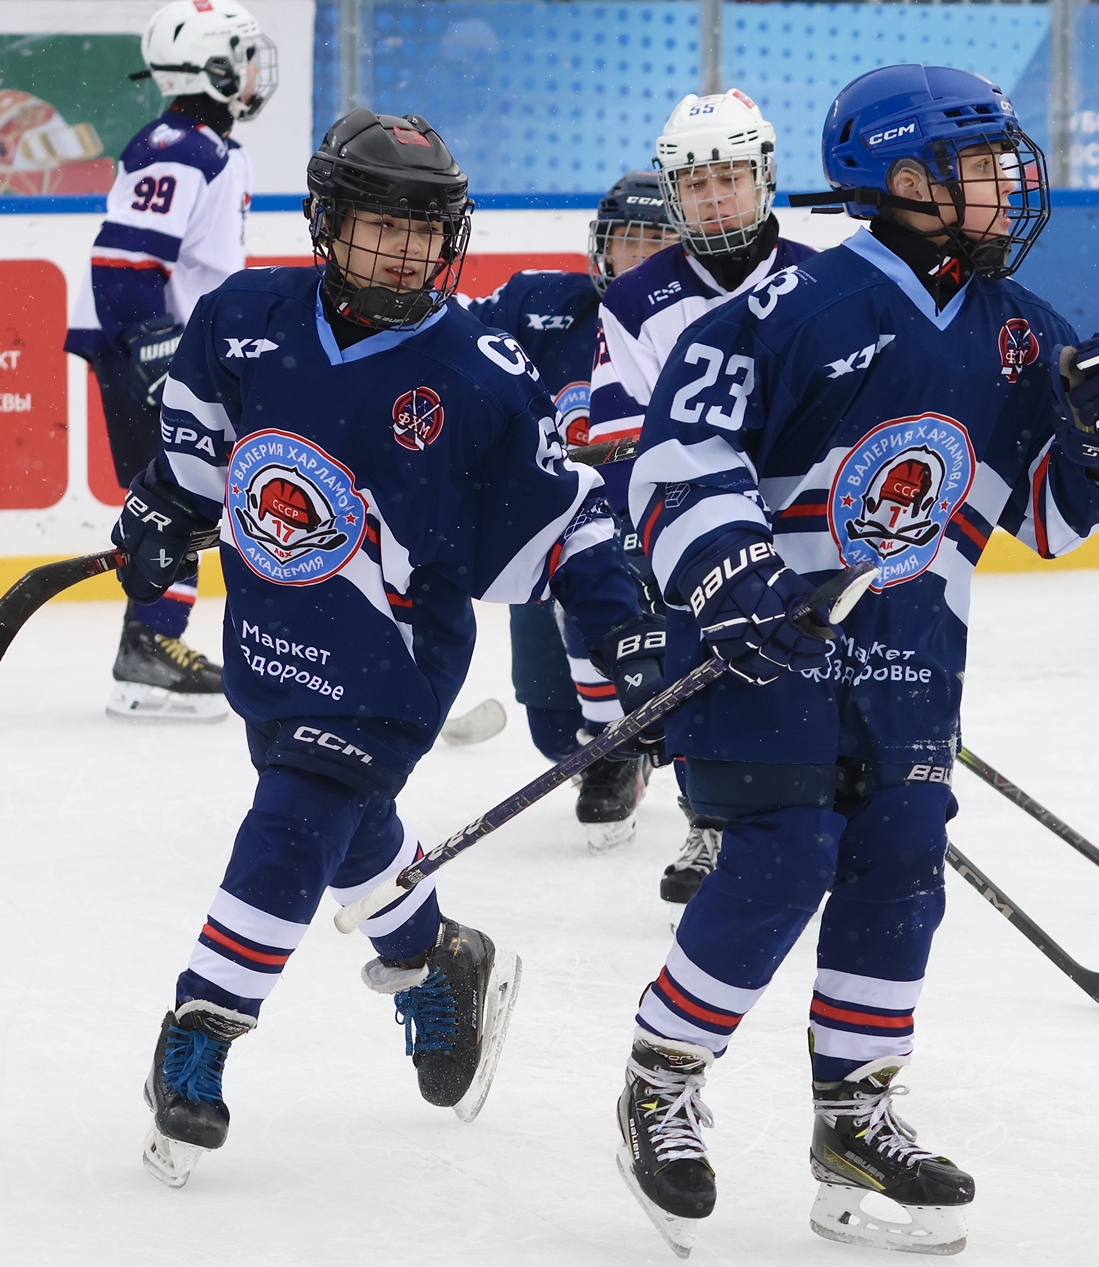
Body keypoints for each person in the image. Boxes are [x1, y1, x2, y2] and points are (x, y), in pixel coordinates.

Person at [608, 64, 1099, 1257]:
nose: (1002, 189)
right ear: (896, 182)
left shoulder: (1022, 327)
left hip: (915, 649)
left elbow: (1055, 521)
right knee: (782, 858)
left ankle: (853, 1115)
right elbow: (672, 466)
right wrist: (734, 581)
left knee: (900, 867)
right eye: (972, 169)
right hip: (768, 651)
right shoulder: (788, 310)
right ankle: (661, 1079)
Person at [115, 109, 665, 1189]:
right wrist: (162, 510)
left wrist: (629, 632)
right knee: (341, 823)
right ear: (327, 221)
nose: (412, 250)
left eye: (430, 229)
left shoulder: (483, 367)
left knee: (296, 820)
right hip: (273, 624)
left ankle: (204, 1025)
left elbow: (571, 522)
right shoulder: (244, 316)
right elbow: (198, 441)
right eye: (384, 225)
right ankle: (433, 960)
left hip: (397, 655)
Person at [587, 89, 820, 915]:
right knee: (700, 663)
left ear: (764, 178)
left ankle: (855, 804)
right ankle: (710, 818)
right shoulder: (636, 300)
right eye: (695, 184)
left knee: (829, 675)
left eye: (730, 178)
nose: (715, 197)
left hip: (806, 526)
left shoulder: (823, 283)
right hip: (693, 530)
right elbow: (625, 450)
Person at [65, 0, 279, 721]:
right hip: (143, 346)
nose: (254, 72)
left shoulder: (205, 145)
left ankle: (149, 644)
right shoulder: (179, 147)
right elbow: (123, 263)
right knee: (182, 493)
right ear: (214, 69)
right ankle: (149, 649)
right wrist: (157, 355)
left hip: (163, 345)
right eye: (243, 57)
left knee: (191, 491)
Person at [461, 171, 678, 851]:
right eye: (628, 240)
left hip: (657, 541)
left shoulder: (705, 324)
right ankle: (614, 741)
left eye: (659, 242)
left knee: (638, 715)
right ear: (600, 247)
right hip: (555, 535)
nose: (641, 256)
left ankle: (630, 749)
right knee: (556, 734)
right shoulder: (540, 303)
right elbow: (443, 339)